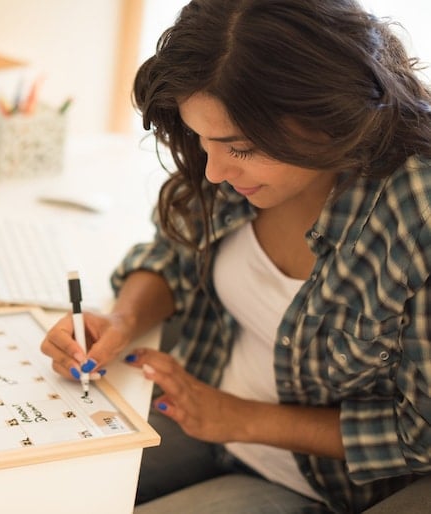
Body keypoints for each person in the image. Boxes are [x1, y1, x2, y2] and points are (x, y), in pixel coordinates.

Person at [39, 0, 431, 512]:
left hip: (315, 479)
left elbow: (421, 432)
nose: (214, 173)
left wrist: (239, 418)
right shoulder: (235, 168)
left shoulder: (416, 217)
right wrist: (122, 317)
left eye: (239, 148)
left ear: (327, 116)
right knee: (38, 485)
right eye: (203, 141)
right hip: (205, 396)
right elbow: (174, 254)